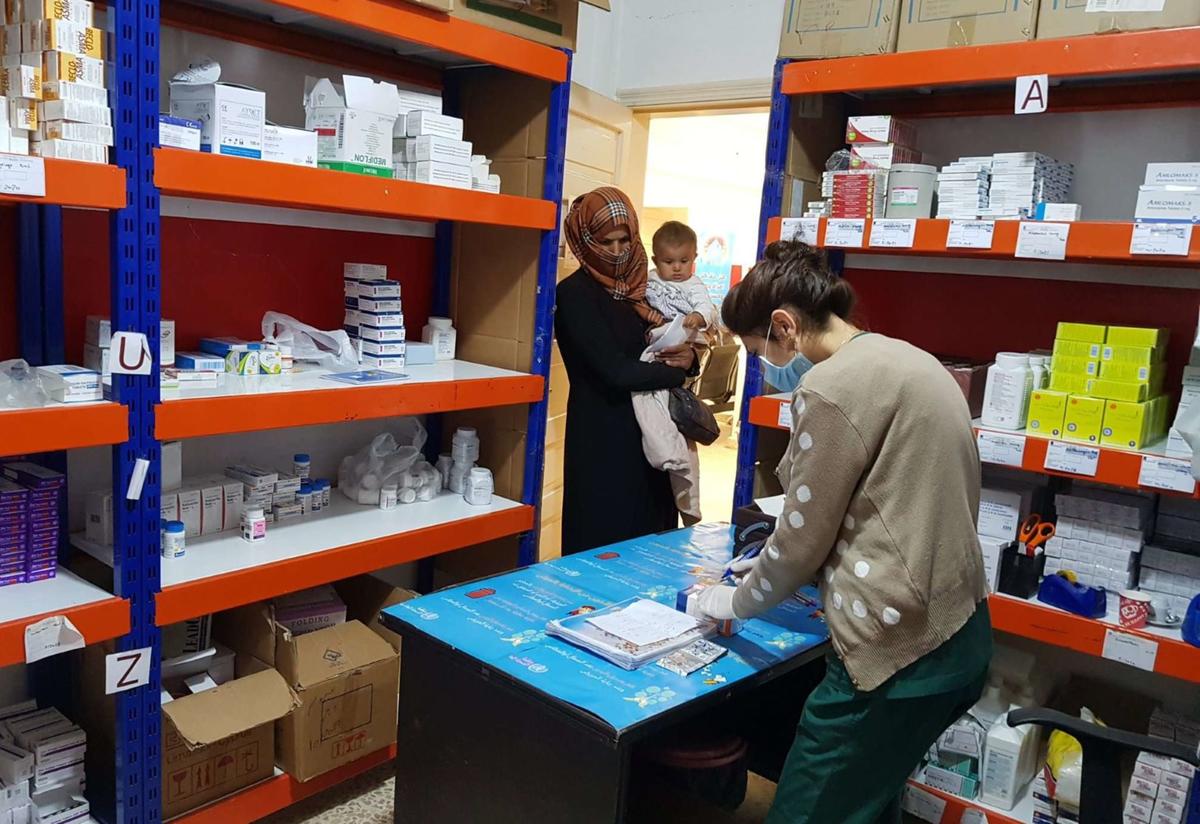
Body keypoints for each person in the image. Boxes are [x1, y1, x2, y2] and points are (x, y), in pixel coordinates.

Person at [698, 241, 993, 823]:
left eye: (758, 349)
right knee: (866, 799)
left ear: (784, 326)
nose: (762, 365)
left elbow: (801, 547)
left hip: (894, 654)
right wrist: (769, 552)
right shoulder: (908, 358)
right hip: (961, 631)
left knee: (807, 809)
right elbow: (880, 495)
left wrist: (734, 597)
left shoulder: (830, 388)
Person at [554, 187, 698, 555]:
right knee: (601, 552)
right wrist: (675, 375)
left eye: (624, 240)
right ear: (585, 241)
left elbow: (672, 343)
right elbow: (614, 371)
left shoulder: (645, 289)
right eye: (606, 242)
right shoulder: (575, 295)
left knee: (651, 547)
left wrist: (689, 360)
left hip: (652, 440)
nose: (617, 252)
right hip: (603, 441)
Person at [645, 221, 718, 338]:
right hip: (656, 329)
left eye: (684, 261)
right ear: (655, 261)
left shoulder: (693, 284)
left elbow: (706, 306)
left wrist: (697, 316)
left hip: (685, 331)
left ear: (694, 258)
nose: (677, 268)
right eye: (668, 262)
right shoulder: (651, 278)